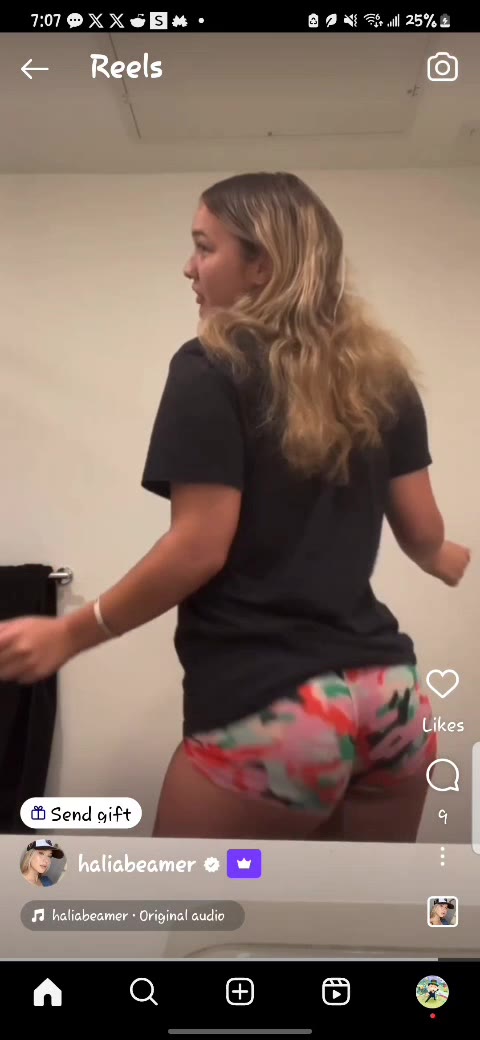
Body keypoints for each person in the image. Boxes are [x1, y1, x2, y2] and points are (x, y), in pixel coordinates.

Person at [0, 172, 471, 842]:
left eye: (204, 247)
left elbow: (198, 547)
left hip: (277, 706)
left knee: (187, 905)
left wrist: (70, 634)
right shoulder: (381, 376)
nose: (188, 267)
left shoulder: (209, 366)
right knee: (353, 910)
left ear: (261, 266)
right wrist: (441, 557)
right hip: (390, 699)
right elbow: (423, 531)